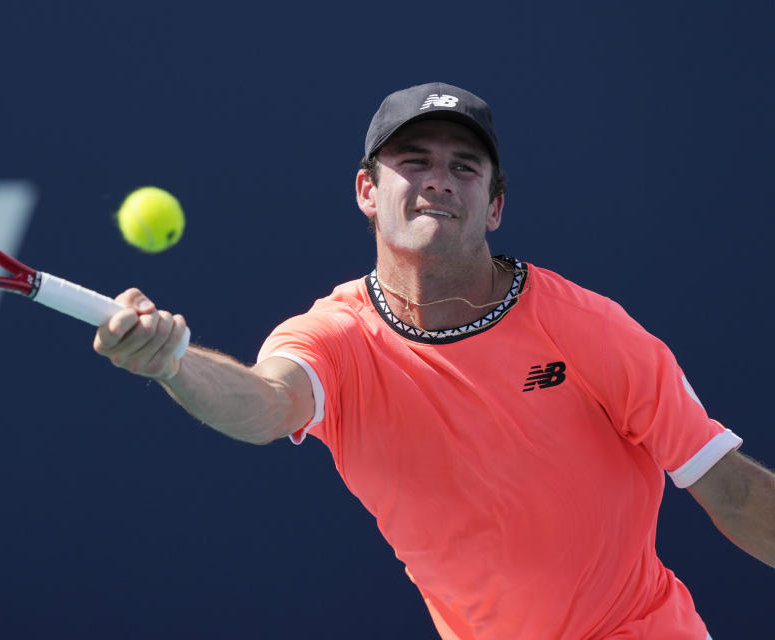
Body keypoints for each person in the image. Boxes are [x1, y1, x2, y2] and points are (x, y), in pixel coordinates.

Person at [93, 82, 775, 640]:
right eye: (414, 160)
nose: (438, 181)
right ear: (367, 191)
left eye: (463, 167)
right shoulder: (336, 338)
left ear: (495, 205)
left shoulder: (593, 331)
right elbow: (266, 404)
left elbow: (735, 492)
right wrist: (173, 363)